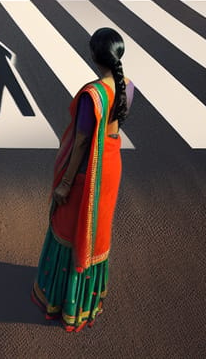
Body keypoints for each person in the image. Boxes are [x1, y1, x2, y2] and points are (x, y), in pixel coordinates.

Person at [31, 27, 135, 332]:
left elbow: (81, 142)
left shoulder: (94, 94)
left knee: (70, 228)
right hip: (112, 163)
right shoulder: (127, 85)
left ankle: (61, 302)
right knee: (97, 228)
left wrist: (65, 183)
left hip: (88, 168)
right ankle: (90, 301)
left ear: (94, 55)